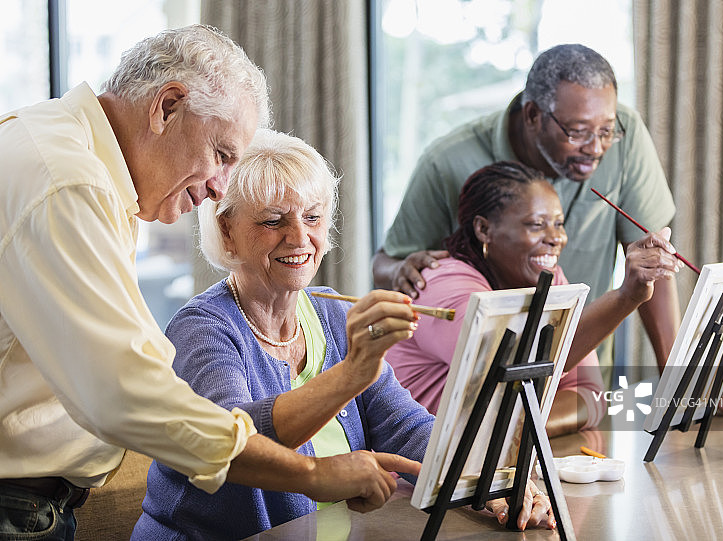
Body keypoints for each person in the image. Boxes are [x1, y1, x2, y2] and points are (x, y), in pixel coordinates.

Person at [0, 25, 417, 541]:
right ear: (167, 107)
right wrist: (311, 474)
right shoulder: (69, 181)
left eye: (312, 217)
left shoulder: (74, 161)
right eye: (221, 154)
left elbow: (406, 426)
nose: (219, 186)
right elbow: (127, 394)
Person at [132, 130, 556, 539]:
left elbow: (405, 427)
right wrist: (352, 371)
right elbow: (237, 449)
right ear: (226, 230)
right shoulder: (202, 328)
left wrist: (490, 482)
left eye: (312, 217)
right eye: (273, 220)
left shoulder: (333, 312)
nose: (300, 238)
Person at [372, 43, 681, 385]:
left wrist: (679, 383)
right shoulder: (445, 163)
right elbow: (384, 265)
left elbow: (653, 264)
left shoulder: (624, 132)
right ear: (533, 115)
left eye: (606, 131)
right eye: (577, 132)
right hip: (479, 381)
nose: (596, 148)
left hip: (581, 361)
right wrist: (400, 270)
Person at [385, 161, 683, 437]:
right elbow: (516, 366)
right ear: (483, 229)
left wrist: (510, 430)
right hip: (411, 469)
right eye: (536, 224)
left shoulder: (549, 279)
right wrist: (626, 296)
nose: (555, 238)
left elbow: (588, 394)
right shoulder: (442, 284)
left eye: (559, 223)